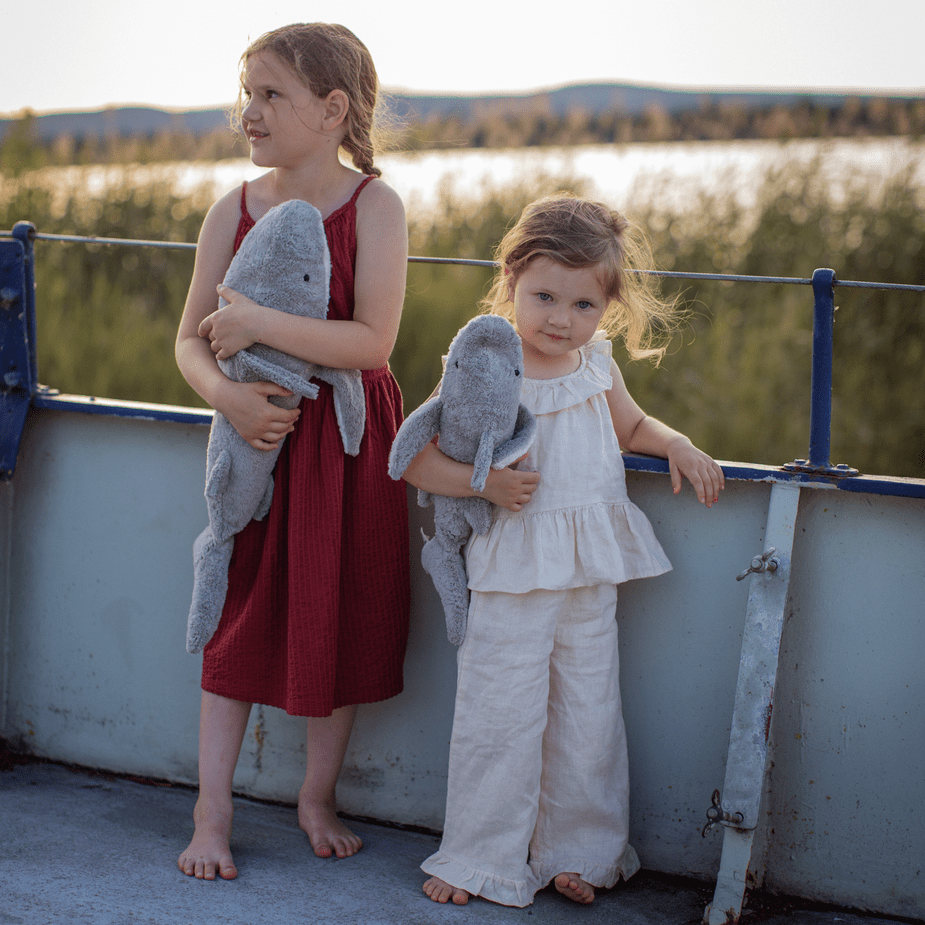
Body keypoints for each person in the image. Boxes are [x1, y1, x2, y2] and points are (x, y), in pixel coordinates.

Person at [399, 194, 724, 907]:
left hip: (586, 566)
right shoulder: (484, 359)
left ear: (604, 308)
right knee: (499, 711)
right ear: (511, 275)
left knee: (587, 710)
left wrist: (675, 442)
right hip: (511, 569)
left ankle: (580, 851)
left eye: (583, 304)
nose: (560, 319)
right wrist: (483, 485)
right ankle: (479, 857)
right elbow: (414, 459)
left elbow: (632, 425)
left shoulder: (594, 363)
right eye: (544, 295)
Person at [175, 23, 410, 880]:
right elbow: (190, 341)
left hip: (345, 445)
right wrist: (230, 396)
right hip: (251, 445)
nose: (250, 112)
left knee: (335, 614)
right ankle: (212, 810)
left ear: (331, 107)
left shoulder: (373, 207)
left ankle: (317, 796)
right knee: (235, 619)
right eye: (247, 94)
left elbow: (373, 342)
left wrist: (259, 325)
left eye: (270, 94)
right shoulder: (231, 209)